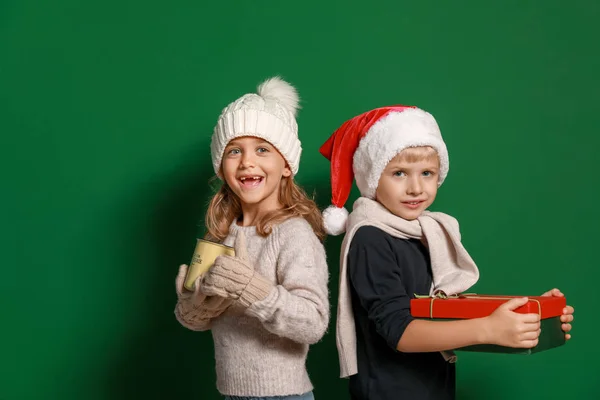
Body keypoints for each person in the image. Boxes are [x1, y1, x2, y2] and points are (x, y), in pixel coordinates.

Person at [319, 105, 575, 400]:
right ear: (373, 178)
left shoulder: (427, 232)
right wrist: (488, 329)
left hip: (433, 386)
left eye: (427, 173)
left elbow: (440, 313)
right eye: (399, 173)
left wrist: (532, 317)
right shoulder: (370, 237)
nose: (416, 188)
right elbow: (399, 331)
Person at [174, 77, 329, 400]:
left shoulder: (293, 233)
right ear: (221, 168)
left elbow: (313, 323)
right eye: (234, 151)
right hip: (231, 393)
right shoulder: (221, 232)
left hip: (283, 396)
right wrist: (194, 307)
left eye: (262, 149)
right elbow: (198, 321)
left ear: (286, 165)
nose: (247, 161)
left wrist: (250, 288)